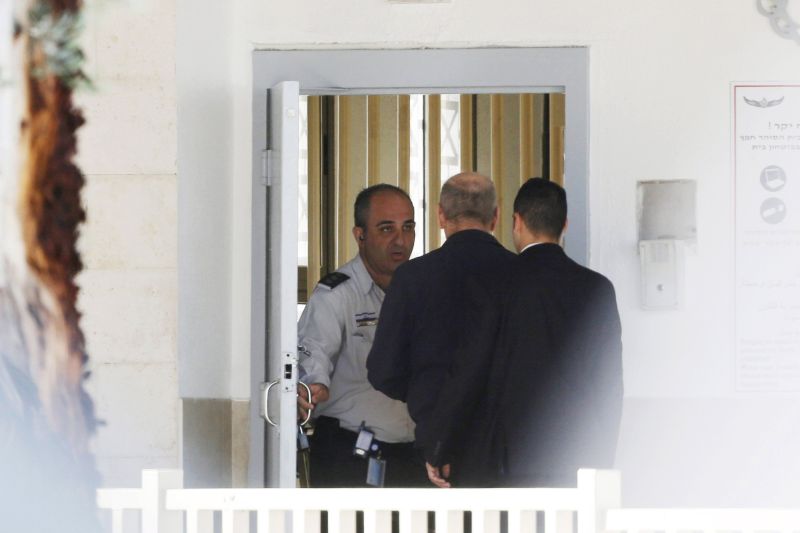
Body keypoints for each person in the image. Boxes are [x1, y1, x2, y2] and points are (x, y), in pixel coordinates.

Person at [425, 178, 623, 488]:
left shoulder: (495, 283)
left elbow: (468, 370)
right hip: (579, 459)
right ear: (564, 225)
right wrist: (603, 457)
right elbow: (609, 384)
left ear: (516, 221)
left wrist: (441, 444)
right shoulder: (597, 289)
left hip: (508, 459)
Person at [367, 172, 515, 487]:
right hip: (507, 448)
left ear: (440, 215)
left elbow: (383, 371)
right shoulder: (522, 275)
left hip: (434, 451)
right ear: (496, 216)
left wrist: (426, 388)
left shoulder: (412, 277)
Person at [296, 183, 426, 487]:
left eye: (408, 227)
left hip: (411, 456)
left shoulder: (423, 290)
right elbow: (313, 349)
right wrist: (314, 384)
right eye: (386, 229)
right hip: (351, 455)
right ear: (360, 235)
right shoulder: (337, 294)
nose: (400, 240)